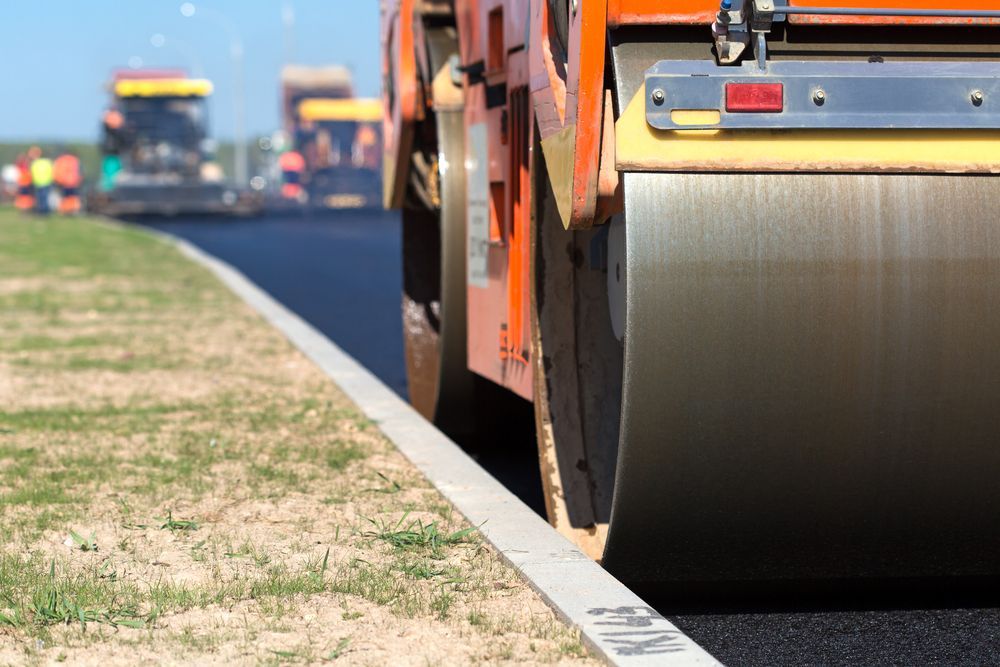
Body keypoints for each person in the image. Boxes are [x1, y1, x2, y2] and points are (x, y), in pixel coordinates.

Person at [53, 150, 83, 214]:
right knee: (73, 197)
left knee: (65, 197)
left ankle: (65, 210)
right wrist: (79, 180)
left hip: (64, 182)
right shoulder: (75, 160)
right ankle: (73, 210)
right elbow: (80, 171)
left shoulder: (61, 160)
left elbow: (57, 171)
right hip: (74, 182)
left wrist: (57, 181)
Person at [29, 149, 54, 215]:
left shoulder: (35, 163)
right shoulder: (48, 162)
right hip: (46, 182)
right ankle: (44, 211)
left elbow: (32, 172)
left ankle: (42, 211)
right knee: (44, 197)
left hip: (38, 182)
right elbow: (51, 171)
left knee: (40, 198)